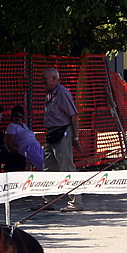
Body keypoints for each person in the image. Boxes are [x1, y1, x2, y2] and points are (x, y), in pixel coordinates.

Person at [41, 67, 84, 212]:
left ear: (54, 78)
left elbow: (74, 116)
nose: (43, 82)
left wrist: (75, 137)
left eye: (44, 79)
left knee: (67, 168)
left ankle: (76, 202)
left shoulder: (63, 93)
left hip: (62, 133)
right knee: (48, 168)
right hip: (51, 133)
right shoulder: (49, 94)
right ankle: (48, 201)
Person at [5, 105, 44, 171]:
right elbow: (8, 142)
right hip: (28, 149)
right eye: (16, 115)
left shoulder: (24, 125)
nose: (18, 118)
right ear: (12, 116)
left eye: (20, 116)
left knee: (48, 162)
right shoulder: (12, 126)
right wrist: (15, 152)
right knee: (42, 165)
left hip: (37, 147)